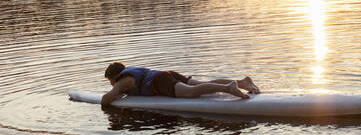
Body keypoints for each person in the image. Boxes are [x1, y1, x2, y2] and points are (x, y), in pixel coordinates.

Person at [101, 62, 260, 106]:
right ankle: (243, 83)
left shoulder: (122, 82)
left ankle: (228, 88)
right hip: (166, 74)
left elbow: (106, 100)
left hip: (160, 81)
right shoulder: (128, 74)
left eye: (110, 81)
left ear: (115, 77)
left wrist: (114, 92)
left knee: (191, 92)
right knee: (204, 84)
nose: (111, 84)